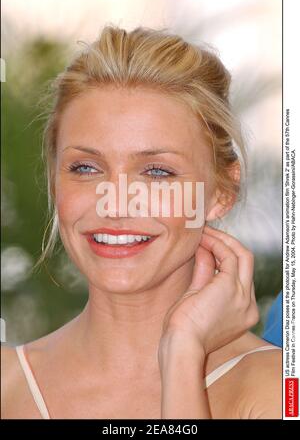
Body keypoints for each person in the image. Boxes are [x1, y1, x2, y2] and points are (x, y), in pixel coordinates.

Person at [1, 24, 282, 419]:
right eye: (85, 167)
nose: (115, 204)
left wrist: (182, 356)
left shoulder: (278, 391)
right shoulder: (6, 383)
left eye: (157, 172)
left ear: (221, 192)